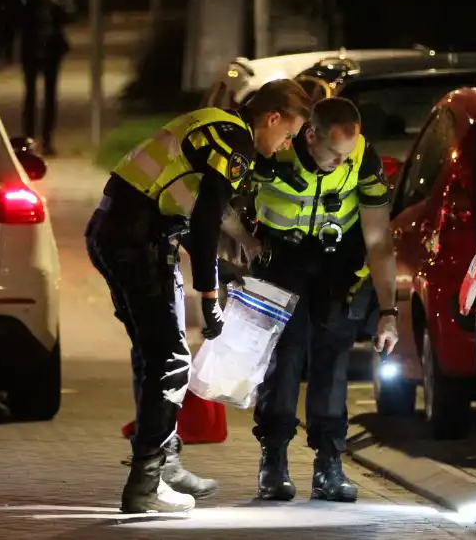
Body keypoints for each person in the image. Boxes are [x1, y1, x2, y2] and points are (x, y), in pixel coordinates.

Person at [86, 79, 311, 513]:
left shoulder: (214, 124)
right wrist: (209, 298)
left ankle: (161, 464)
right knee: (171, 361)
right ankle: (146, 483)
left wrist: (221, 270)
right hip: (137, 243)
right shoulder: (237, 145)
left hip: (118, 232)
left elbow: (178, 209)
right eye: (288, 135)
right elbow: (207, 221)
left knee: (157, 357)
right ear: (273, 118)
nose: (284, 145)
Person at [222, 96, 399, 503]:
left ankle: (329, 463)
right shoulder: (274, 152)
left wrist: (389, 311)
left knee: (332, 363)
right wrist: (244, 243)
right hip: (280, 263)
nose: (340, 162)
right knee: (283, 361)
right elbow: (218, 200)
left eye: (346, 155)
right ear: (310, 134)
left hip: (337, 271)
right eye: (332, 153)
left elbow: (378, 240)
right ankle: (274, 460)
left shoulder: (362, 161)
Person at [17, 0, 75, 156]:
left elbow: (69, 12)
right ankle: (29, 140)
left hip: (52, 45)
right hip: (31, 45)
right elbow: (18, 13)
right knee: (30, 95)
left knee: (50, 95)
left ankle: (48, 140)